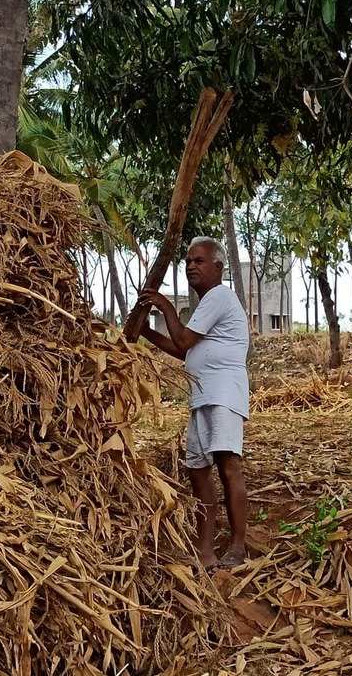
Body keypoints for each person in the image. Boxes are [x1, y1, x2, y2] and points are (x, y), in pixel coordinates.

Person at [137, 236, 249, 571]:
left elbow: (183, 338)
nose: (190, 267)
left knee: (229, 467)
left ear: (218, 266)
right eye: (187, 262)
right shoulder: (206, 306)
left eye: (198, 261)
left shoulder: (219, 296)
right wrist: (145, 331)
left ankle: (239, 546)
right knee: (197, 470)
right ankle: (205, 550)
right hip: (202, 397)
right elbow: (185, 350)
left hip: (223, 394)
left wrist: (165, 305)